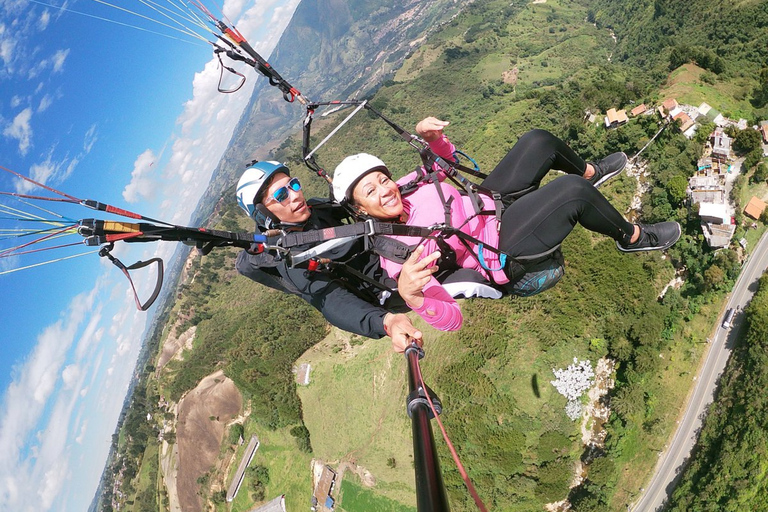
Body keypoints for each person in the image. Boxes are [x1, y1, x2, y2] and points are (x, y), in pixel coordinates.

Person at [332, 117, 681, 332]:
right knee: (572, 192)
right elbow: (452, 319)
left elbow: (445, 165)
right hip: (498, 248)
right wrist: (413, 297)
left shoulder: (406, 186)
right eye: (370, 191)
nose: (385, 190)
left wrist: (433, 140)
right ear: (359, 208)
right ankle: (632, 236)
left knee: (538, 141)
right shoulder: (398, 258)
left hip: (490, 204)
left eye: (382, 179)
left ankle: (590, 172)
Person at [234, 160, 422, 352]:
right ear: (263, 214)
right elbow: (331, 301)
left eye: (294, 184)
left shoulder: (316, 210)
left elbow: (357, 202)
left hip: (388, 251)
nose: (296, 195)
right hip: (388, 285)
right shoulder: (290, 258)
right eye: (281, 195)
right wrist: (386, 322)